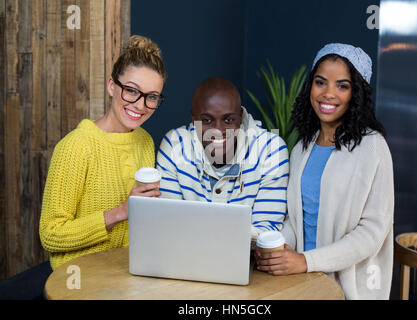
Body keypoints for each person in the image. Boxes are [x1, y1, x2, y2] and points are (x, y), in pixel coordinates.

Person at [255, 43, 394, 300]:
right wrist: (278, 246)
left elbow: (372, 233)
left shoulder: (373, 147)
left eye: (342, 86)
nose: (328, 93)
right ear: (311, 87)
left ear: (357, 94)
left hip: (347, 288)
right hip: (300, 280)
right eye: (321, 82)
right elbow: (296, 220)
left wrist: (306, 261)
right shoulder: (302, 148)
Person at [39, 35, 167, 271]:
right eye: (131, 91)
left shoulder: (145, 141)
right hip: (80, 278)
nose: (140, 105)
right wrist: (120, 212)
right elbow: (51, 234)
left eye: (152, 97)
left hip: (130, 272)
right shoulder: (75, 147)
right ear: (111, 86)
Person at [156, 77, 289, 242]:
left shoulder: (270, 149)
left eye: (228, 120)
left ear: (240, 117)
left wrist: (196, 228)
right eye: (206, 120)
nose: (218, 131)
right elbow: (168, 225)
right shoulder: (174, 145)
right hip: (185, 260)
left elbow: (266, 234)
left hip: (249, 263)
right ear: (193, 117)